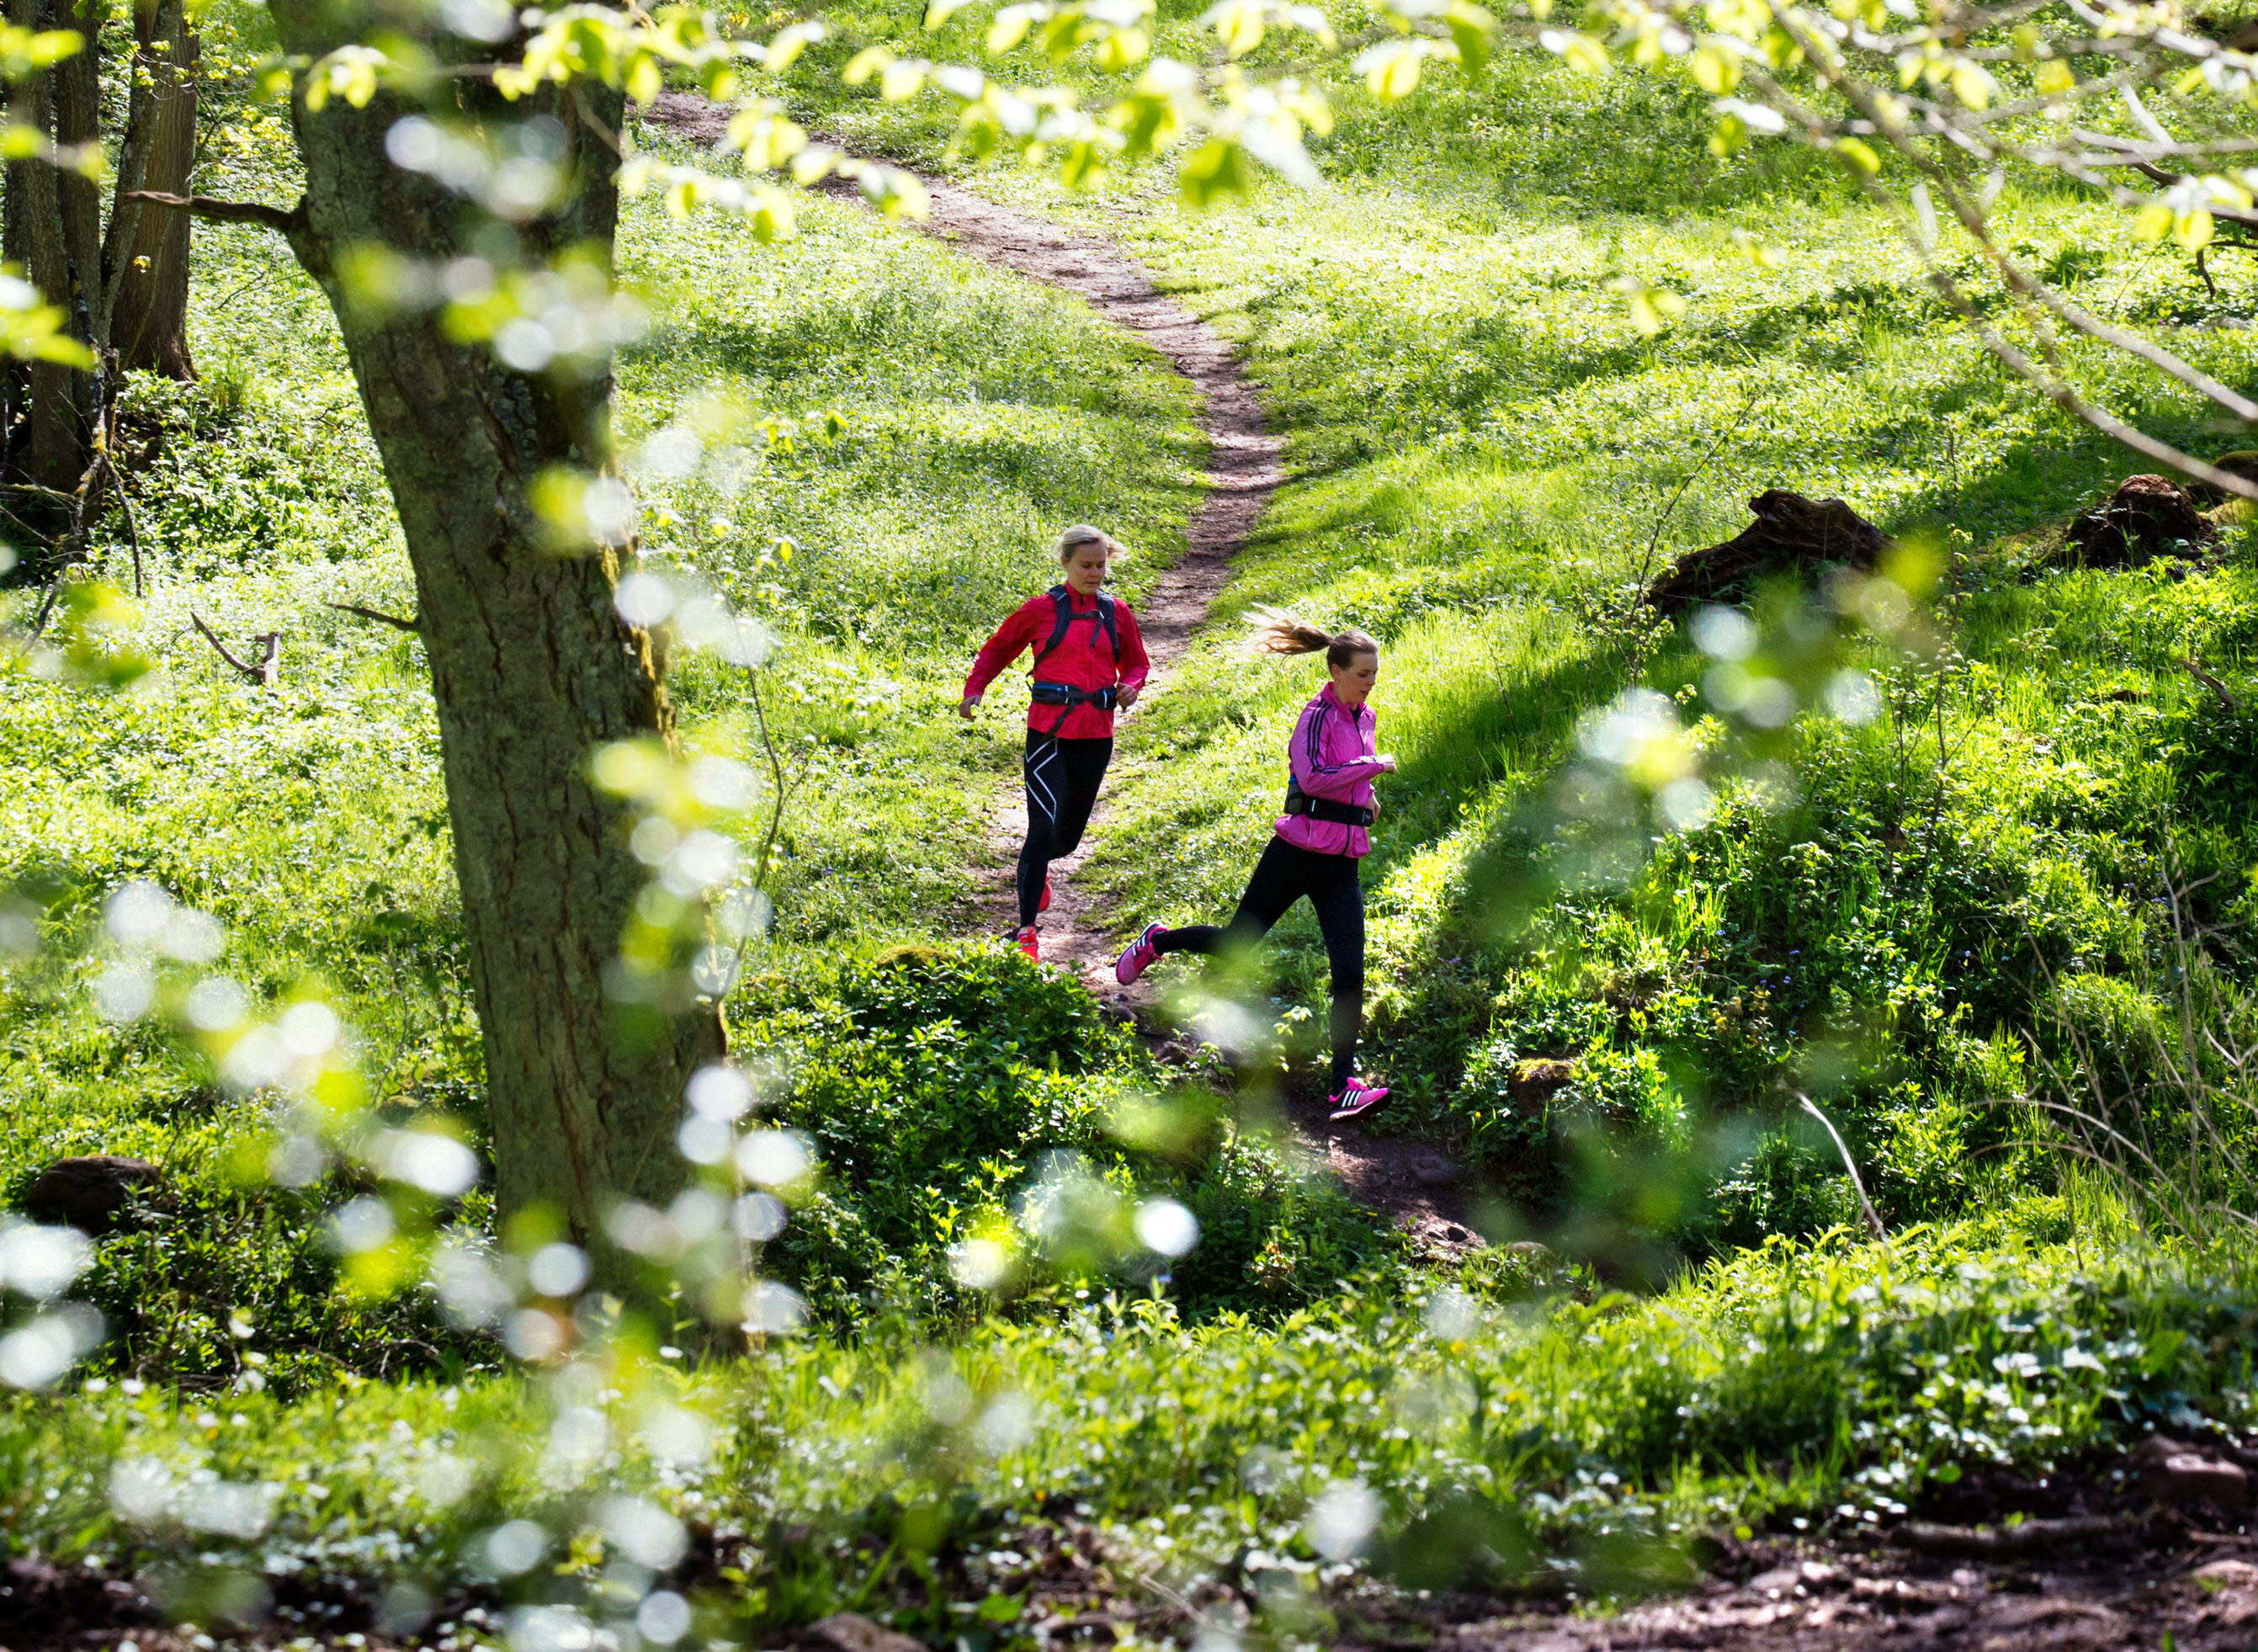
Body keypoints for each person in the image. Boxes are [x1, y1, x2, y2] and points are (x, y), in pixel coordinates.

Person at [1113, 609, 1396, 1122]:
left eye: (1375, 675)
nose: (1370, 685)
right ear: (1336, 672)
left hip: (1341, 864)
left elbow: (1352, 775)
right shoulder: (1315, 715)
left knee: (1350, 972)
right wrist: (1371, 767)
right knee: (1236, 943)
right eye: (1362, 675)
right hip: (1296, 854)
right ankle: (1159, 940)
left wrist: (1368, 797)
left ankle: (1341, 1086)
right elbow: (1312, 779)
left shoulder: (1366, 718)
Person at [959, 525, 1150, 962]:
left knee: (1065, 841)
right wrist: (976, 688)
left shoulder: (1116, 612)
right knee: (1040, 831)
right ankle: (1027, 931)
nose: (1096, 573)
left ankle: (1040, 870)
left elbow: (1137, 661)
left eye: (1101, 564)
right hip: (1047, 734)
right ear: (1065, 563)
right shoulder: (1041, 610)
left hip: (1096, 735)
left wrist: (1132, 685)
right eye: (1086, 565)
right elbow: (998, 648)